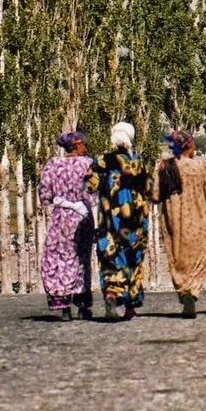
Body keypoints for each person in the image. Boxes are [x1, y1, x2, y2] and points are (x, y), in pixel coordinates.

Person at [152, 130, 206, 319]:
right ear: (189, 146)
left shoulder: (165, 166)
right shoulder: (201, 167)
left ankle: (183, 292)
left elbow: (156, 195)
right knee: (198, 259)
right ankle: (193, 292)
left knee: (177, 259)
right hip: (198, 222)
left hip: (174, 221)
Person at [86, 121, 150, 321]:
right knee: (134, 260)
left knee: (110, 261)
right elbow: (148, 188)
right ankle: (131, 308)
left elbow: (89, 187)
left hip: (109, 224)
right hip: (135, 223)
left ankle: (111, 300)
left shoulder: (101, 161)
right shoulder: (138, 161)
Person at [38, 131, 95, 321]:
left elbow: (45, 195)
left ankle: (63, 306)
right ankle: (82, 304)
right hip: (82, 218)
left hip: (60, 218)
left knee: (59, 258)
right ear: (78, 145)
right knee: (81, 258)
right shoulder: (88, 165)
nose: (85, 148)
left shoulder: (52, 165)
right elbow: (93, 192)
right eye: (84, 145)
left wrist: (61, 201)